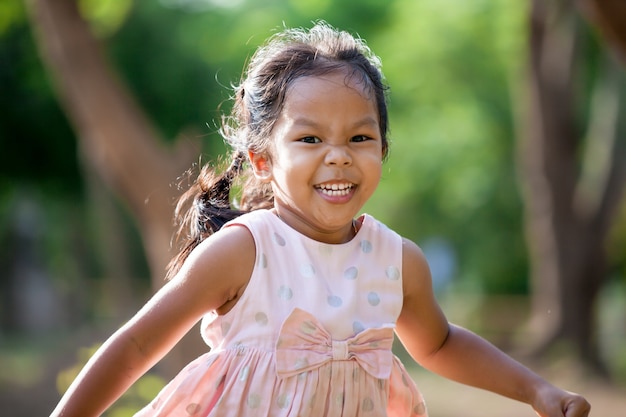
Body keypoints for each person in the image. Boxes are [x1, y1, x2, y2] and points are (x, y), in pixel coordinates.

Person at [51, 22, 591, 417]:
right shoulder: (245, 251)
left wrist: (537, 391)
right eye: (310, 139)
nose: (338, 156)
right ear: (263, 158)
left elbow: (442, 343)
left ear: (383, 148)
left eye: (360, 137)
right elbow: (139, 344)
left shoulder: (397, 260)